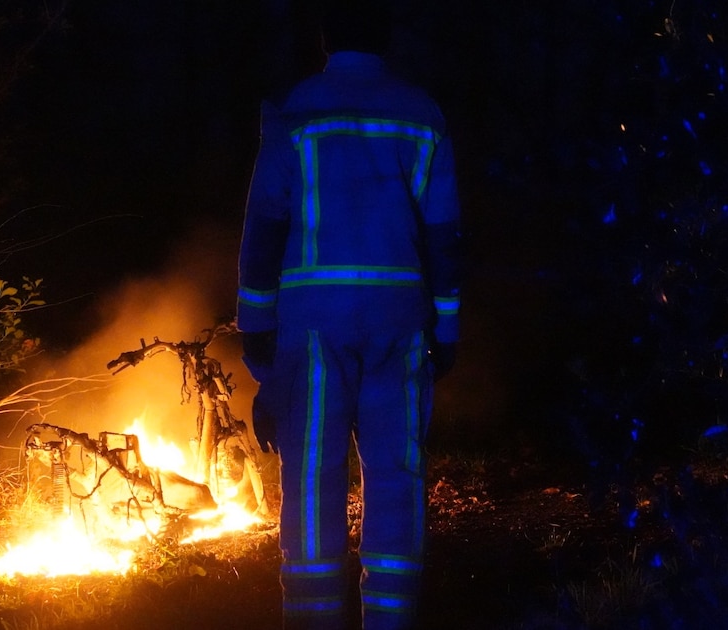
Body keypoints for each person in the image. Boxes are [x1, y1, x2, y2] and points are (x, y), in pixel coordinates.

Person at [237, 1, 461, 628]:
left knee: (311, 473)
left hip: (312, 323)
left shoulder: (295, 111)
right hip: (400, 316)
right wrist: (446, 329)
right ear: (387, 38)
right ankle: (392, 617)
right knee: (397, 472)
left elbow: (264, 230)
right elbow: (444, 235)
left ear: (325, 39)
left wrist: (257, 334)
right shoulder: (422, 114)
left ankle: (312, 619)